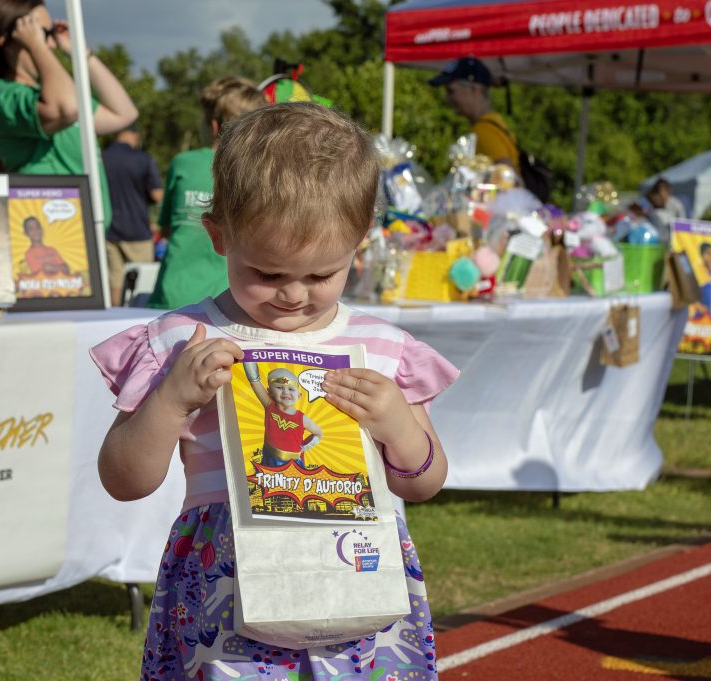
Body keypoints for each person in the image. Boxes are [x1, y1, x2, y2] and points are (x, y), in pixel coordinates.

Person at [91, 102, 459, 679]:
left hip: (358, 591)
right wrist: (169, 401)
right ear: (218, 236)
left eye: (320, 275)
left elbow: (427, 481)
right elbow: (123, 479)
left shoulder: (383, 347)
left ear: (360, 242)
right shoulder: (179, 340)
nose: (293, 294)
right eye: (267, 273)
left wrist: (399, 427)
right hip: (225, 594)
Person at [0, 0, 137, 234]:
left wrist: (80, 51)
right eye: (42, 33)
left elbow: (123, 113)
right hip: (54, 241)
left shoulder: (50, 95)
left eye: (51, 33)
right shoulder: (2, 97)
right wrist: (38, 46)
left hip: (86, 239)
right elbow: (66, 110)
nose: (51, 43)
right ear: (7, 41)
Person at [146, 76, 266, 309]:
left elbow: (167, 229)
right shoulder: (264, 173)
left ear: (213, 125)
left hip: (172, 297)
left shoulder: (183, 163)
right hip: (231, 304)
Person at [102, 123, 163, 306]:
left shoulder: (100, 158)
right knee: (142, 284)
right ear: (135, 136)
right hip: (138, 232)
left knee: (115, 282)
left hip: (108, 230)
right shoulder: (142, 159)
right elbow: (157, 195)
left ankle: (113, 326)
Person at [430, 57, 519, 170]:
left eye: (451, 91)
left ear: (474, 89)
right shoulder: (495, 122)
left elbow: (509, 179)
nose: (447, 98)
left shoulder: (483, 131)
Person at [243, 363, 322, 468]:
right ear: (270, 392)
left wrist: (303, 447)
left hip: (291, 463)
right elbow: (254, 382)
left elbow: (318, 433)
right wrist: (247, 358)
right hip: (269, 456)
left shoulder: (302, 418)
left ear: (299, 395)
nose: (286, 392)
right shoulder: (269, 406)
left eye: (291, 389)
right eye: (280, 387)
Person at [643, 178, 686, 244]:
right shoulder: (652, 204)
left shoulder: (676, 205)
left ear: (669, 191)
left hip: (672, 238)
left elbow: (682, 223)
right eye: (657, 191)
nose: (659, 194)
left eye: (661, 191)